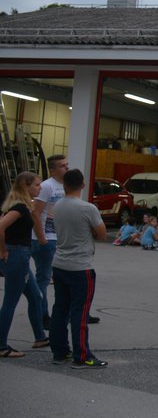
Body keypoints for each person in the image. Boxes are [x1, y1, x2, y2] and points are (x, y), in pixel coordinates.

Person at [49, 168, 108, 368]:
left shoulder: (57, 206)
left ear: (64, 185)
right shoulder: (87, 208)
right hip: (80, 267)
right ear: (82, 185)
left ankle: (59, 351)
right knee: (80, 312)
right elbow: (102, 234)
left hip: (59, 262)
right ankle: (82, 355)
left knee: (60, 309)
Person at [0, 172, 49, 358]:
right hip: (16, 255)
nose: (40, 187)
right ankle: (1, 345)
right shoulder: (19, 207)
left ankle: (40, 337)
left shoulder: (20, 205)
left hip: (20, 255)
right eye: (37, 184)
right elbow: (0, 227)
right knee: (10, 302)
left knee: (36, 296)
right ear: (26, 186)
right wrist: (3, 249)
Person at [31, 154, 68, 328]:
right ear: (53, 170)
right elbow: (36, 213)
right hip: (46, 239)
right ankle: (42, 314)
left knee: (61, 277)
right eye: (62, 166)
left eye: (67, 165)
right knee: (43, 278)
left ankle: (64, 312)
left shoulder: (65, 186)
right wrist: (42, 239)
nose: (66, 168)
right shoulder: (46, 186)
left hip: (59, 239)